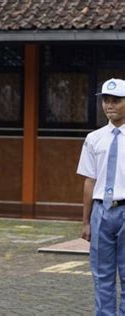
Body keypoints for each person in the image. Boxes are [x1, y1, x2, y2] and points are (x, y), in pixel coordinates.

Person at [77, 78, 125, 315]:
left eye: (116, 100)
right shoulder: (93, 138)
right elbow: (89, 180)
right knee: (102, 274)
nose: (109, 105)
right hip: (101, 211)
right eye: (106, 100)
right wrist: (86, 221)